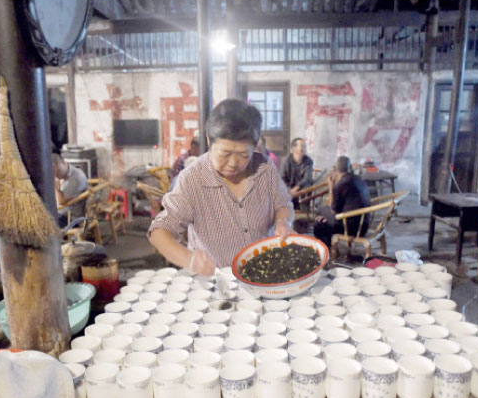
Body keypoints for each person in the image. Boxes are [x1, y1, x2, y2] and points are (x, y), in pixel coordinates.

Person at [148, 99, 294, 276]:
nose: (233, 163)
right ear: (209, 140)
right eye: (225, 154)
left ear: (255, 146)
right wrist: (190, 260)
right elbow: (159, 232)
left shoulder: (264, 167)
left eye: (243, 155)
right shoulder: (193, 178)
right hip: (216, 281)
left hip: (262, 273)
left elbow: (283, 204)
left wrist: (283, 222)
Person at [313, 155, 371, 250]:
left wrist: (331, 187)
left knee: (319, 224)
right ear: (350, 167)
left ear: (336, 169)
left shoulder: (340, 185)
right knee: (323, 212)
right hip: (364, 223)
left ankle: (327, 250)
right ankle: (330, 242)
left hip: (352, 229)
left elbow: (334, 210)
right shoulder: (358, 178)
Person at [53, 153, 89, 226]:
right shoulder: (65, 176)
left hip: (71, 219)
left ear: (64, 163)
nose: (55, 174)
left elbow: (61, 202)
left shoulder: (76, 177)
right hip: (63, 214)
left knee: (43, 224)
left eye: (57, 171)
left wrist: (56, 188)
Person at [282, 138, 314, 209]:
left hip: (301, 189)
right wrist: (288, 190)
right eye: (302, 146)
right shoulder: (286, 160)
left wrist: (296, 188)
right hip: (289, 188)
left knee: (307, 186)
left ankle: (303, 212)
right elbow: (282, 178)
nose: (304, 148)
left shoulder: (308, 161)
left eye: (305, 146)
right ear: (294, 148)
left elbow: (307, 178)